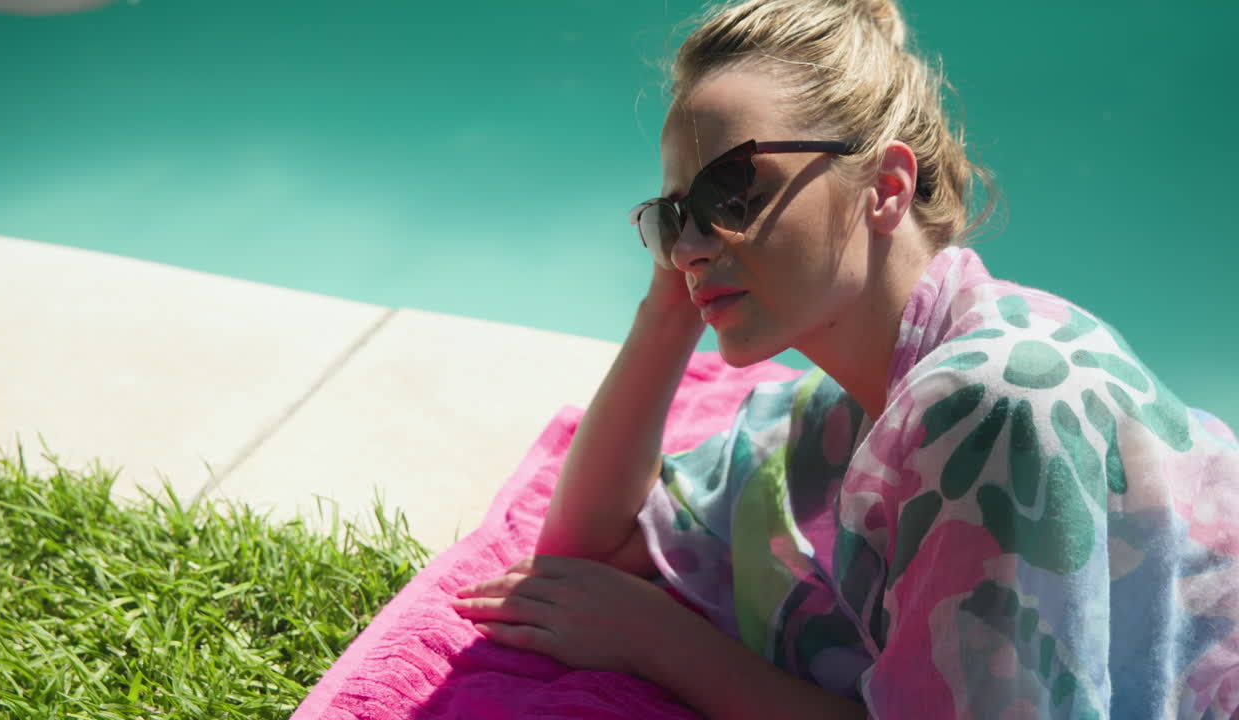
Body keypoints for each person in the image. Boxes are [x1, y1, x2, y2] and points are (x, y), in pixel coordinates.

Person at [451, 0, 1239, 717]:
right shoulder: (845, 412)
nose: (690, 246)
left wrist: (662, 642)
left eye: (732, 191)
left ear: (887, 187)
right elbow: (585, 558)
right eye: (672, 218)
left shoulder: (993, 400)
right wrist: (667, 310)